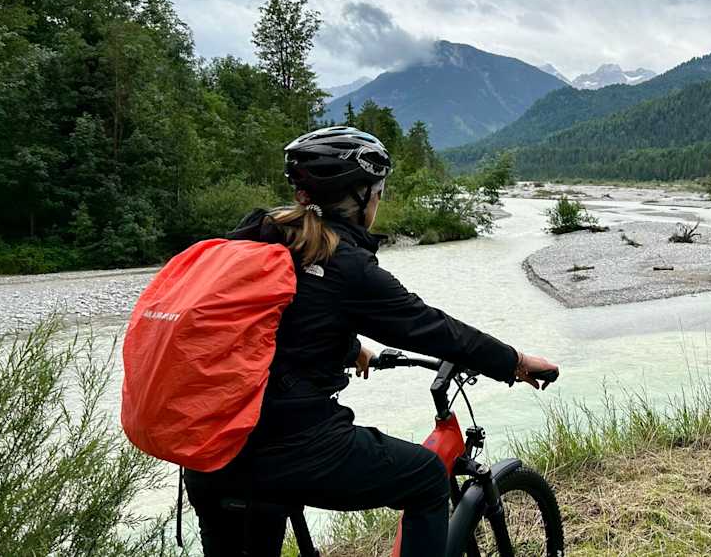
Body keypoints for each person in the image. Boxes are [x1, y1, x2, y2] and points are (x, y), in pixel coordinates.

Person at [183, 126, 558, 556]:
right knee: (426, 478)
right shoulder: (342, 262)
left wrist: (347, 347)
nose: (379, 200)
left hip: (209, 449)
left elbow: (278, 327)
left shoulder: (263, 238)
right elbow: (429, 327)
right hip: (290, 449)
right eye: (378, 190)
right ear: (362, 195)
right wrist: (515, 361)